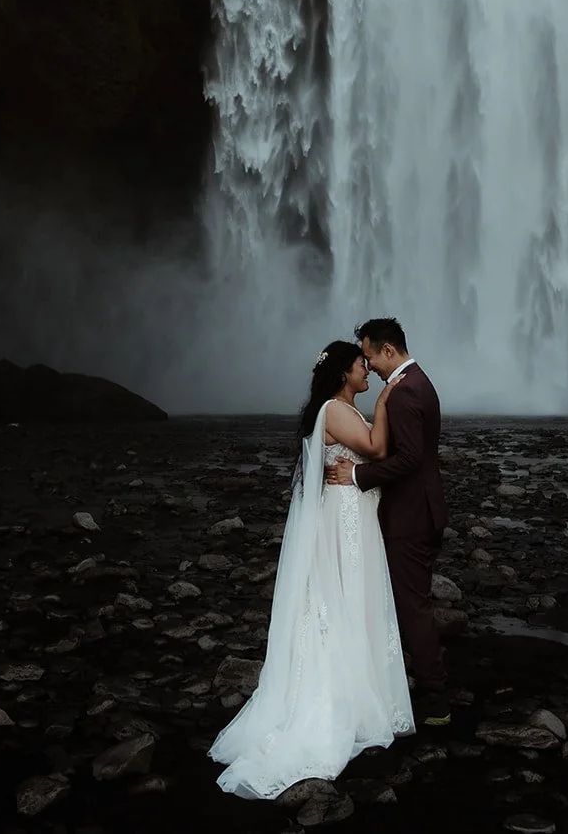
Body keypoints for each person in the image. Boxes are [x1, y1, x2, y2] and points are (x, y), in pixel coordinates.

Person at [208, 340, 415, 800]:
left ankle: (359, 689)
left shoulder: (337, 410)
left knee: (346, 598)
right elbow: (378, 448)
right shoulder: (336, 411)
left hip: (351, 513)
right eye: (363, 367)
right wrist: (384, 402)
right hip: (345, 520)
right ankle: (346, 696)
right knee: (344, 597)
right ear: (344, 372)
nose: (368, 373)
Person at [324, 317, 451, 726]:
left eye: (370, 356)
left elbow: (409, 458)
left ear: (388, 351)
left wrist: (358, 476)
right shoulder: (420, 382)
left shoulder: (401, 394)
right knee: (412, 601)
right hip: (424, 509)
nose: (369, 365)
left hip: (410, 516)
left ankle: (435, 697)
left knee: (411, 606)